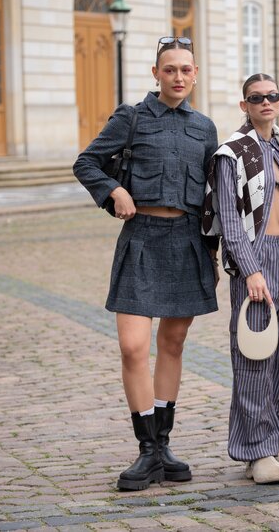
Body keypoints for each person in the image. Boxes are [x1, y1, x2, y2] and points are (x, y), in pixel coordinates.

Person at [73, 36, 219, 490]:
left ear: (195, 75)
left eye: (185, 70)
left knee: (172, 345)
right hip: (142, 239)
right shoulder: (131, 117)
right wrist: (114, 192)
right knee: (134, 348)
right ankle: (146, 450)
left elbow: (213, 200)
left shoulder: (205, 128)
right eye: (169, 69)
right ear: (156, 74)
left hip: (187, 241)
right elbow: (87, 163)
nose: (178, 77)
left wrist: (212, 255)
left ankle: (164, 446)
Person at [201, 74, 279, 485]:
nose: (265, 103)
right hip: (257, 259)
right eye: (256, 98)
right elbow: (230, 220)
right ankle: (255, 451)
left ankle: (274, 442)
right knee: (253, 356)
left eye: (272, 96)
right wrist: (250, 270)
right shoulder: (231, 154)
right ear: (244, 105)